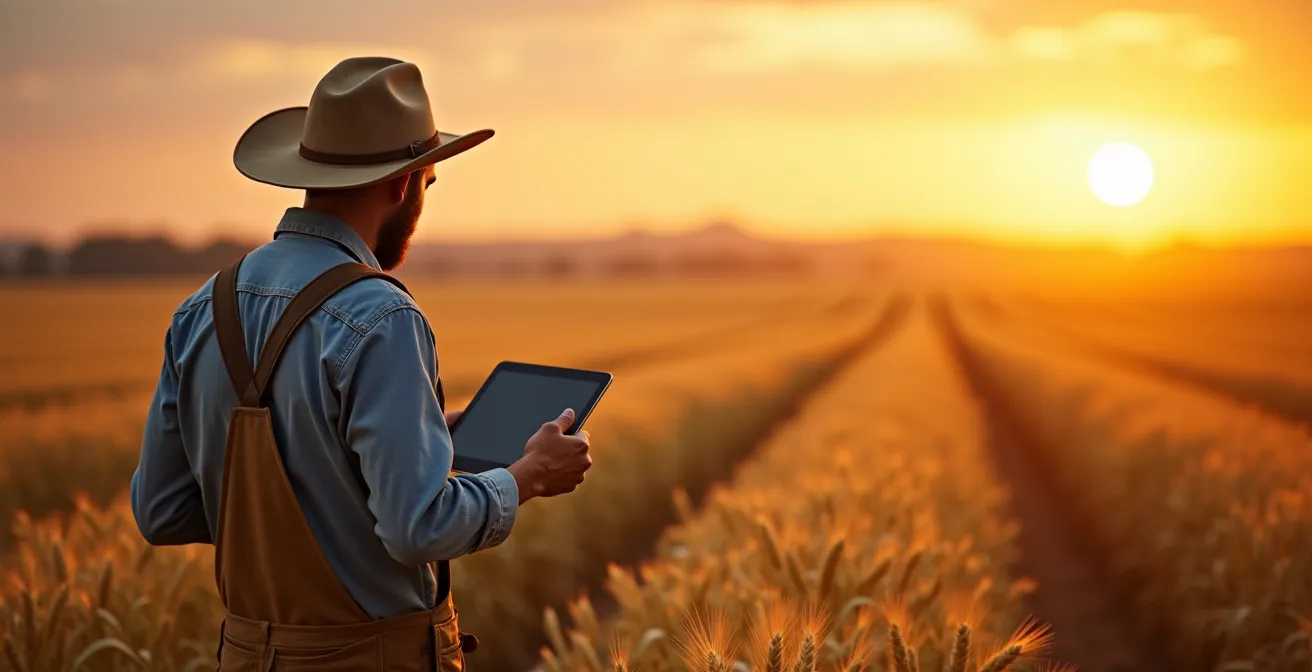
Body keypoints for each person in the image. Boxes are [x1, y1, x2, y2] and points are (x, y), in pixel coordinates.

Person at [128, 56, 593, 671]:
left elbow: (161, 510)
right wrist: (526, 477)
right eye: (429, 183)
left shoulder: (199, 310)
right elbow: (416, 528)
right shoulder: (380, 316)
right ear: (402, 184)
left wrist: (378, 462)